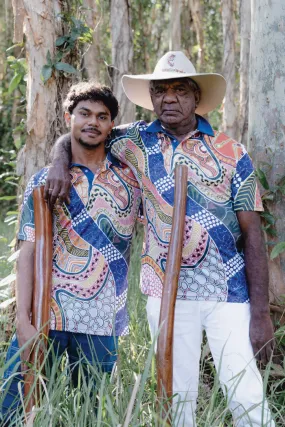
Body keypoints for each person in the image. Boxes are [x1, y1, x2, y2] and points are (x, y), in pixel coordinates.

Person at [46, 52, 275, 426]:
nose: (169, 98)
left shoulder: (232, 152)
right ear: (151, 98)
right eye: (160, 91)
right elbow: (80, 134)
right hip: (163, 289)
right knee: (175, 391)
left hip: (229, 292)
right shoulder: (134, 140)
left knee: (244, 388)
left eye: (180, 90)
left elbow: (252, 234)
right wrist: (58, 162)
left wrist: (261, 312)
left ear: (196, 97)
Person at [1, 82, 141, 424]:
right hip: (47, 313)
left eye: (102, 116)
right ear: (69, 118)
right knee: (13, 410)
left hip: (100, 320)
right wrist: (23, 322)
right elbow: (28, 252)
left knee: (89, 415)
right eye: (84, 114)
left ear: (112, 125)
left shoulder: (131, 181)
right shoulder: (44, 182)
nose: (92, 122)